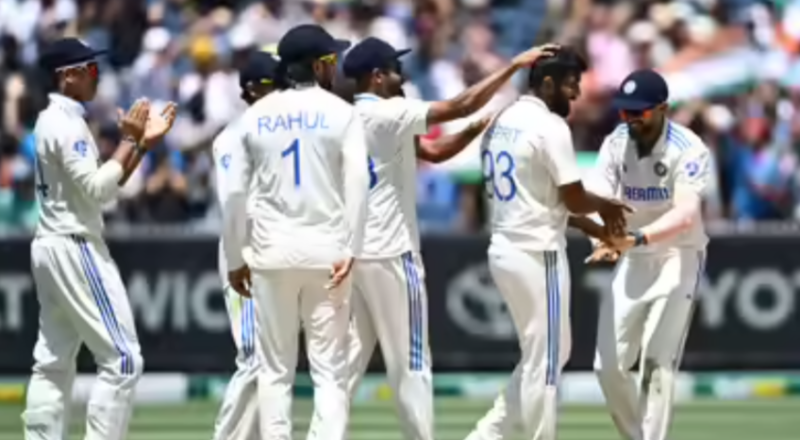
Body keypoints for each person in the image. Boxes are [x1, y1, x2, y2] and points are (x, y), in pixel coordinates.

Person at [340, 36, 558, 440]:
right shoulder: (389, 111)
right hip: (392, 251)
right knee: (412, 362)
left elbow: (434, 152)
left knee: (351, 359)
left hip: (356, 252)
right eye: (394, 70)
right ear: (376, 76)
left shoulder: (346, 117)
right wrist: (513, 66)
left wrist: (475, 129)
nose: (402, 76)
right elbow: (459, 105)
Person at [463, 47, 631, 440]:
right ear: (549, 83)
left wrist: (597, 230)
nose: (576, 94)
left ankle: (487, 434)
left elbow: (547, 201)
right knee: (546, 358)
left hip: (504, 249)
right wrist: (607, 207)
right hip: (538, 253)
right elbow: (574, 198)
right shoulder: (550, 127)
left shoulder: (502, 119)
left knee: (547, 353)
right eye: (572, 84)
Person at [220, 24, 369, 440]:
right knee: (330, 371)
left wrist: (235, 258)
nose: (336, 68)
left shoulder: (254, 117)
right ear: (318, 66)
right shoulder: (343, 112)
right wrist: (353, 248)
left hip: (271, 253)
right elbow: (358, 183)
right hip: (328, 253)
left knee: (274, 371)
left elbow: (234, 195)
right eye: (332, 61)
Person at [24, 38, 177, 440]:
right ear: (67, 76)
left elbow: (106, 186)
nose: (98, 75)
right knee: (124, 360)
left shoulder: (53, 119)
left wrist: (141, 145)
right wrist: (129, 141)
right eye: (91, 69)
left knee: (53, 361)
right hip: (74, 244)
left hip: (51, 243)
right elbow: (98, 189)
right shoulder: (65, 123)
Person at [584, 69, 709, 440]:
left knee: (656, 362)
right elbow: (597, 198)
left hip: (678, 255)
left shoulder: (688, 148)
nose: (631, 119)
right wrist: (600, 239)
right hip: (633, 256)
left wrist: (636, 238)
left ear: (663, 109)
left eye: (639, 112)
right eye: (625, 112)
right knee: (607, 366)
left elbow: (685, 214)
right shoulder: (616, 142)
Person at [211, 50, 282, 440]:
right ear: (253, 90)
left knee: (272, 359)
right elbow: (233, 204)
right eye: (274, 85)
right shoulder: (232, 137)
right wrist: (239, 258)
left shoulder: (278, 131)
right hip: (245, 248)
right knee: (255, 355)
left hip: (274, 246)